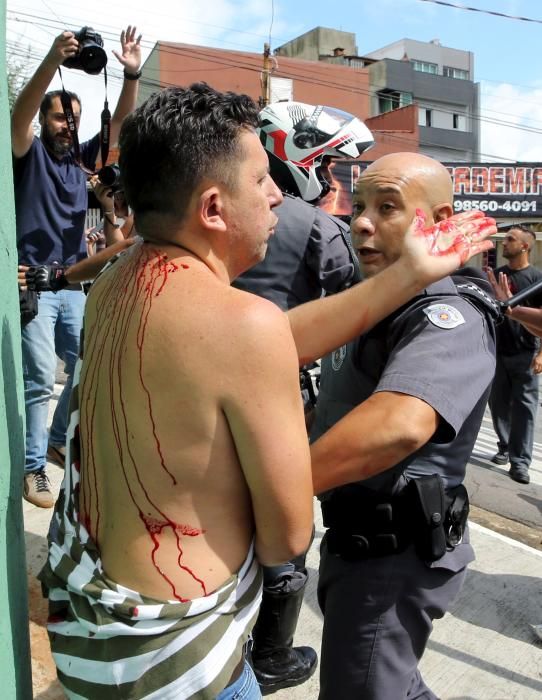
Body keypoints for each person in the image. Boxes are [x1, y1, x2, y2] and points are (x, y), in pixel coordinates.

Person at [38, 84, 495, 699]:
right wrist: (260, 481)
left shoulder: (123, 279)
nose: (280, 194)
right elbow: (285, 536)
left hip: (98, 636)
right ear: (213, 207)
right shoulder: (239, 325)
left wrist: (410, 274)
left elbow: (271, 337)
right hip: (184, 661)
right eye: (261, 181)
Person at [309, 152, 499, 700]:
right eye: (360, 205)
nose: (361, 220)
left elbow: (400, 424)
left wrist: (266, 489)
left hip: (391, 557)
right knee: (392, 684)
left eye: (387, 207)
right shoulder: (378, 298)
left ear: (438, 219)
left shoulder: (447, 313)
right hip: (357, 540)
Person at [234, 100, 374, 694]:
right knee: (285, 526)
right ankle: (270, 655)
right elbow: (362, 298)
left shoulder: (210, 208)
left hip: (199, 383)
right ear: (303, 154)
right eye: (336, 166)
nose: (340, 179)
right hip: (276, 391)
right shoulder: (316, 226)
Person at [12, 25, 142, 508]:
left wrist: (131, 75)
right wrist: (52, 59)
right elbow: (20, 112)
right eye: (60, 117)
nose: (68, 125)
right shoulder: (28, 154)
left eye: (75, 119)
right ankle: (32, 469)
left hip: (70, 283)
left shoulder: (80, 162)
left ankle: (55, 440)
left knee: (92, 363)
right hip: (32, 282)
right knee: (41, 374)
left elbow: (121, 129)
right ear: (45, 122)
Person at [487, 225, 542, 484]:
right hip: (497, 353)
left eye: (510, 239)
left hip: (527, 354)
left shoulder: (537, 279)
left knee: (525, 409)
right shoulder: (497, 276)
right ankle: (505, 445)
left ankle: (520, 462)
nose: (504, 242)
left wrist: (541, 354)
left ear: (525, 246)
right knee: (498, 405)